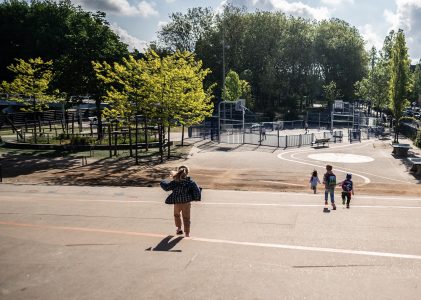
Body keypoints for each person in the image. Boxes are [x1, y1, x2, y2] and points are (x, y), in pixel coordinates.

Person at [160, 165, 201, 237]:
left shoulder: (175, 182)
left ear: (178, 172)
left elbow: (166, 187)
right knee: (186, 218)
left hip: (177, 202)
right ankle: (187, 233)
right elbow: (197, 190)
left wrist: (163, 180)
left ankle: (179, 228)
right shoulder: (191, 182)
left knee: (176, 215)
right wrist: (196, 198)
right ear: (187, 172)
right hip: (186, 202)